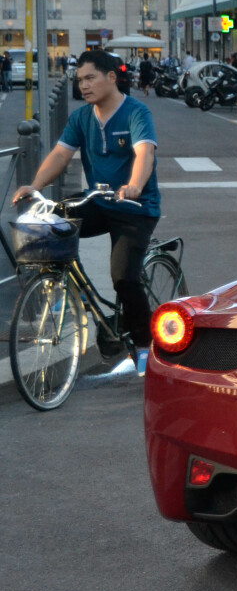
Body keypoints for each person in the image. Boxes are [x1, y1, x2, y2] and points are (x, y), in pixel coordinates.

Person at [11, 49, 162, 371]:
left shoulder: (136, 112)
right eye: (79, 80)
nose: (83, 86)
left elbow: (144, 153)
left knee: (123, 278)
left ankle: (146, 347)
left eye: (90, 78)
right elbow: (60, 155)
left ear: (111, 77)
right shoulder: (81, 117)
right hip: (98, 201)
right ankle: (63, 290)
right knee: (52, 222)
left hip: (136, 207)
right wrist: (34, 186)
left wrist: (134, 184)